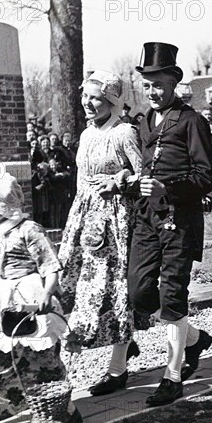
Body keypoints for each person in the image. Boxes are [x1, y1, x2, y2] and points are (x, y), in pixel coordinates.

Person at [128, 42, 212, 406]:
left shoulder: (192, 120)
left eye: (159, 84)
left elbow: (206, 176)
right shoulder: (142, 121)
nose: (152, 91)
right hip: (146, 218)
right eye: (147, 84)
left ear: (174, 83)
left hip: (180, 219)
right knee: (138, 292)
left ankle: (173, 375)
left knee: (172, 296)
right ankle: (196, 339)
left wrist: (170, 188)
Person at [57, 70, 142, 396]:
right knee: (76, 289)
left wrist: (120, 180)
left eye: (96, 98)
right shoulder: (87, 134)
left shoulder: (124, 133)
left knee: (115, 290)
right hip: (85, 219)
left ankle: (118, 367)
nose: (89, 104)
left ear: (111, 100)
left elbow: (144, 177)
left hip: (116, 220)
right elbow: (81, 180)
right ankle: (62, 369)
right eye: (86, 97)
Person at [0, 173, 82, 423]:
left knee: (40, 357)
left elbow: (50, 266)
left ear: (4, 204)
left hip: (28, 295)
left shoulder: (28, 229)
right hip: (1, 299)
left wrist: (47, 293)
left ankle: (62, 408)